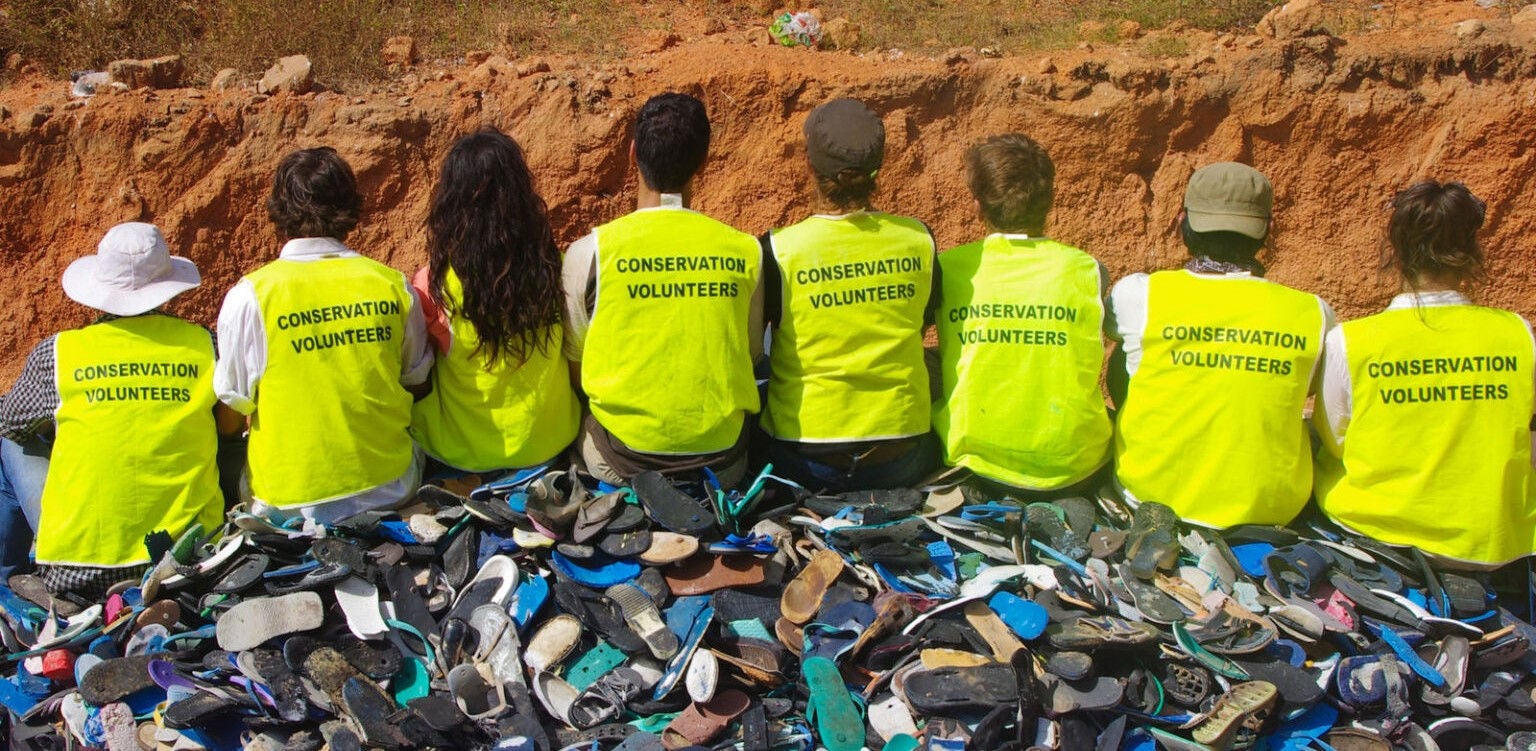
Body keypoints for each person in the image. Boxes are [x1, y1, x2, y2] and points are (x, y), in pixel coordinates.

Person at [0, 223, 232, 597]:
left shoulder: (58, 354)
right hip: (188, 561)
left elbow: (12, 422)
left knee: (9, 438)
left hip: (77, 572)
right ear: (166, 290)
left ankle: (8, 585)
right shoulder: (206, 346)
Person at [1314, 181, 1536, 568]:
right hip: (1497, 543)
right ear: (1471, 251)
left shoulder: (1349, 341)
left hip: (1381, 540)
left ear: (1395, 251)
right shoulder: (1519, 333)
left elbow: (1336, 440)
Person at [1107, 162, 1333, 529]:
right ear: (1268, 231)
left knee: (1127, 352)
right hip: (1270, 510)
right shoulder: (1314, 313)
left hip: (1150, 494)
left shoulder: (1140, 294)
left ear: (1182, 222)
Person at [215, 147, 432, 523]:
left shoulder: (251, 296)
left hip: (288, 503)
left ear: (279, 211)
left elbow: (232, 416)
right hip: (390, 486)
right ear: (349, 207)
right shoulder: (391, 285)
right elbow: (415, 380)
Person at [560, 93, 762, 487]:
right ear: (703, 162)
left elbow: (576, 367)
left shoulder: (591, 252)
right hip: (721, 466)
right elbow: (752, 356)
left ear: (633, 153)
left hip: (620, 463)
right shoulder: (745, 250)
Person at [758, 98, 938, 491]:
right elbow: (921, 320)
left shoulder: (778, 249)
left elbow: (754, 346)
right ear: (879, 168)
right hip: (901, 459)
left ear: (808, 164)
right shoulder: (919, 239)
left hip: (804, 460)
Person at [932, 134, 1112, 495]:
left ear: (978, 206)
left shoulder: (949, 268)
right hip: (1073, 467)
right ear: (1050, 200)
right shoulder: (1087, 270)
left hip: (975, 462)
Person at [409, 128, 580, 476]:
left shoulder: (434, 284)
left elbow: (417, 378)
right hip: (548, 446)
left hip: (460, 455)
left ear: (451, 204)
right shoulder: (558, 270)